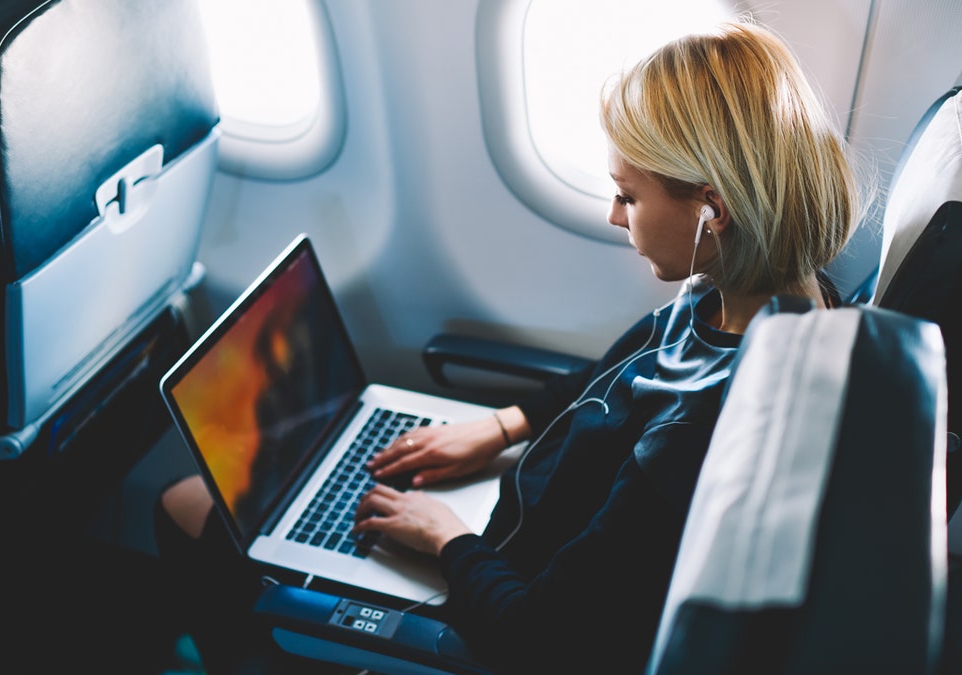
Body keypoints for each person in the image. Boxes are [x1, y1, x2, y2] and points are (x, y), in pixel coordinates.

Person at [154, 18, 862, 674]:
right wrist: (498, 428)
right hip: (522, 524)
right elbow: (607, 379)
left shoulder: (697, 435)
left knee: (188, 506)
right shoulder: (759, 297)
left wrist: (445, 539)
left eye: (629, 195)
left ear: (714, 209)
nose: (614, 216)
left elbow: (540, 638)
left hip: (499, 596)